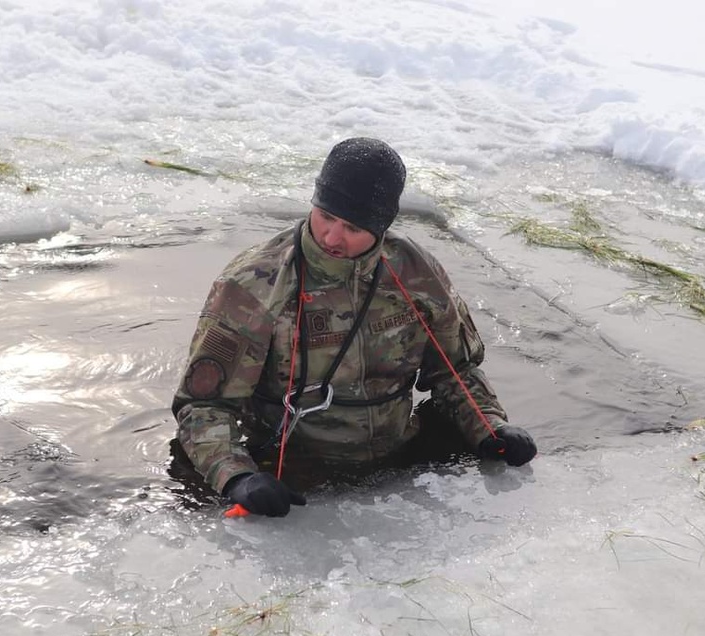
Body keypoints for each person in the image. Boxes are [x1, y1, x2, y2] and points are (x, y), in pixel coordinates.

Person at [172, 137, 537, 518]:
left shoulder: (416, 272)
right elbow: (204, 405)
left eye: (352, 226)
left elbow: (455, 372)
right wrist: (236, 476)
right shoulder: (254, 285)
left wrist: (490, 425)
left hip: (398, 460)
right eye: (326, 215)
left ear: (381, 226)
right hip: (295, 469)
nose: (332, 237)